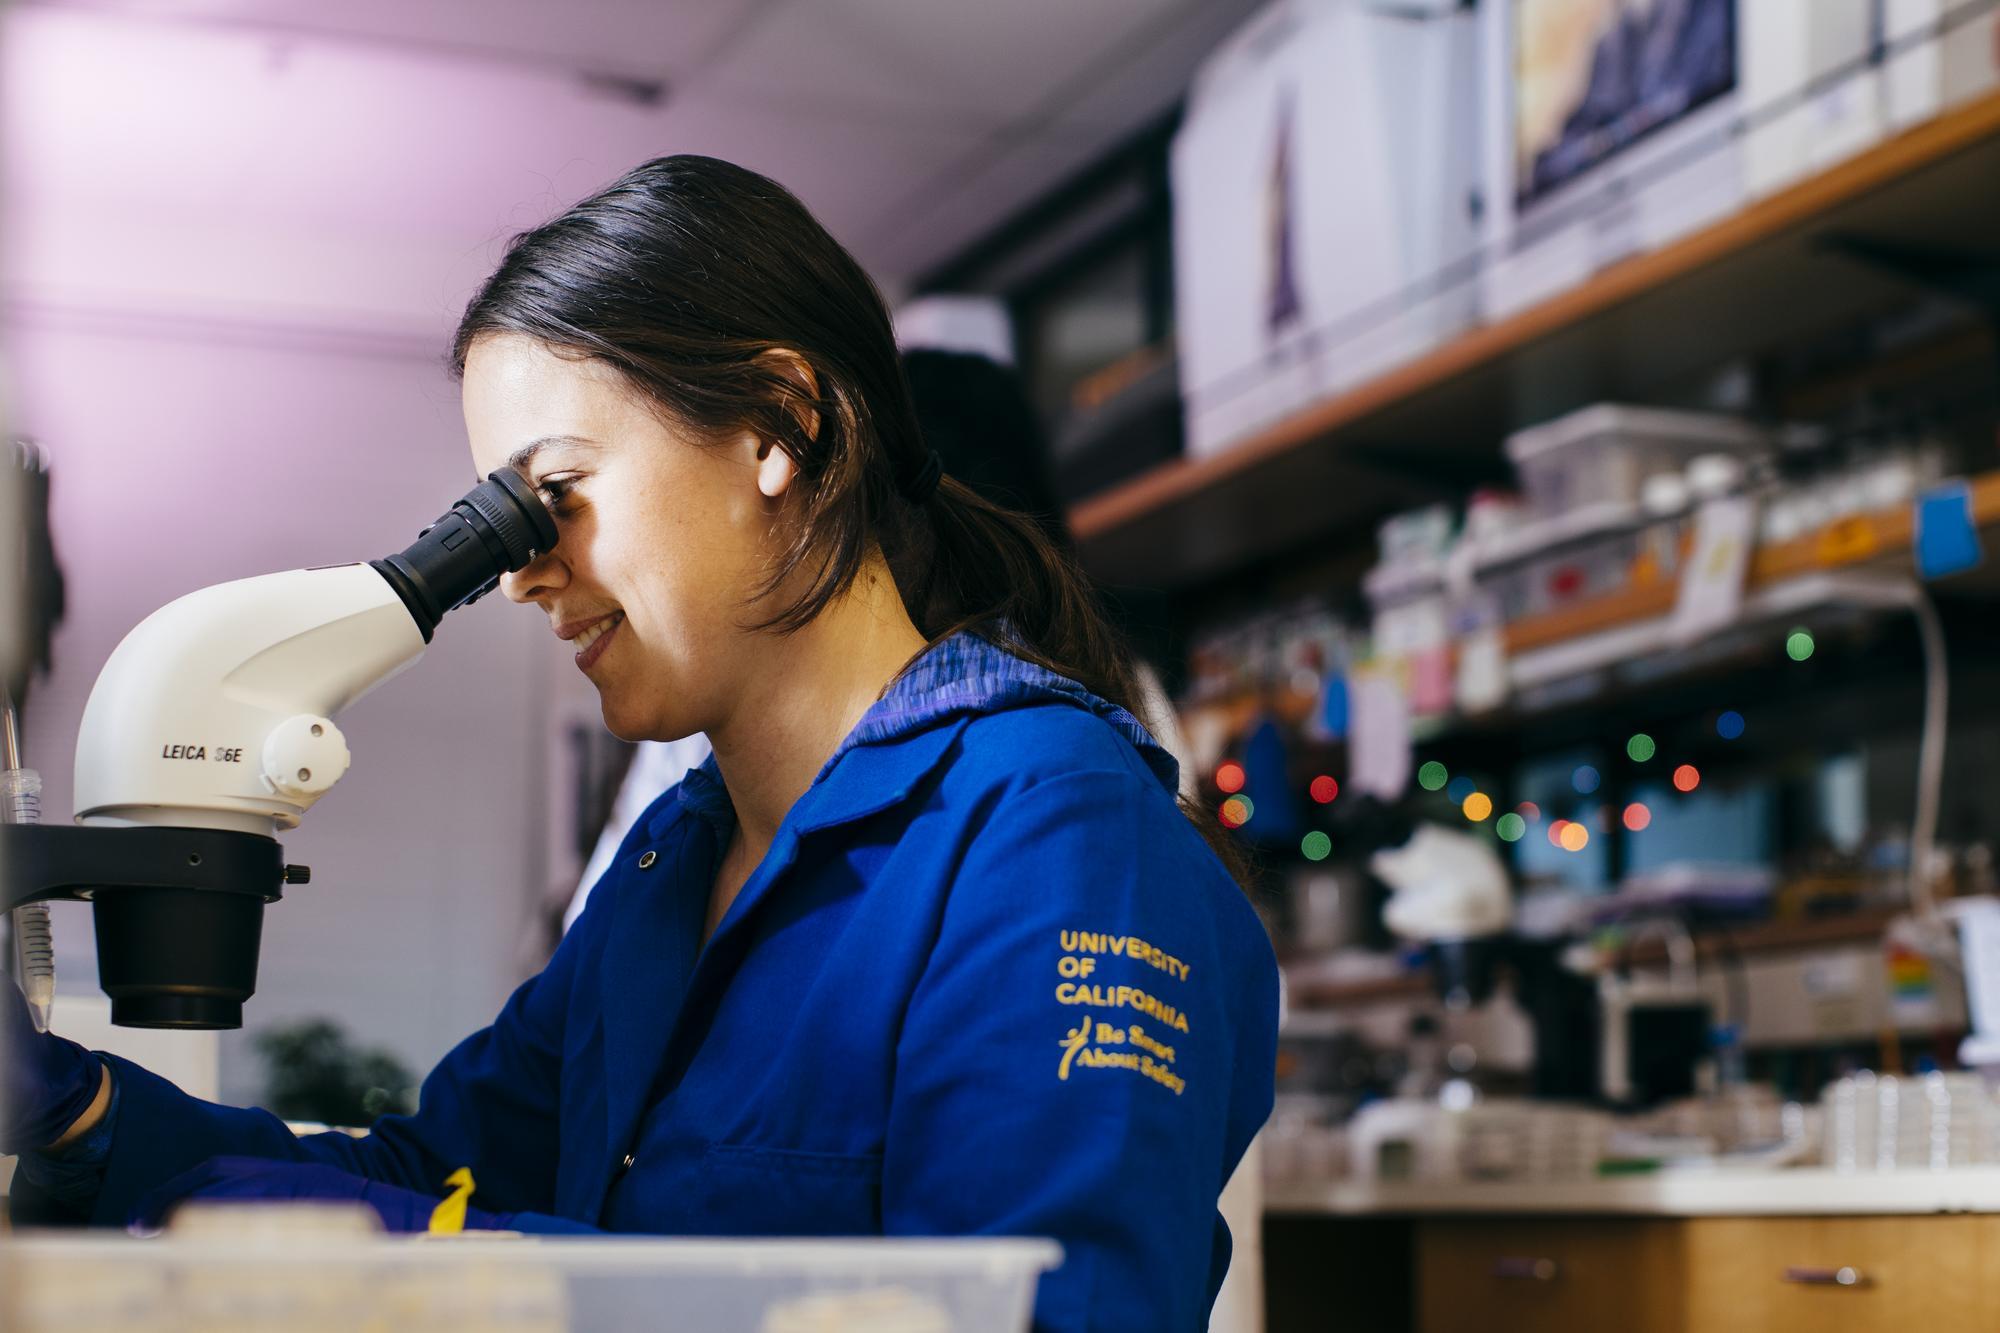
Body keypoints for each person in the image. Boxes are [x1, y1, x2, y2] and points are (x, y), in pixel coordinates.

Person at [3, 156, 1278, 1332]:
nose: (518, 573)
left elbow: (1031, 1316)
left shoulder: (1054, 839)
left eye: (551, 495)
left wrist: (450, 1261)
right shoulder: (680, 861)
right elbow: (429, 1173)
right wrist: (74, 1112)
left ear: (780, 426)